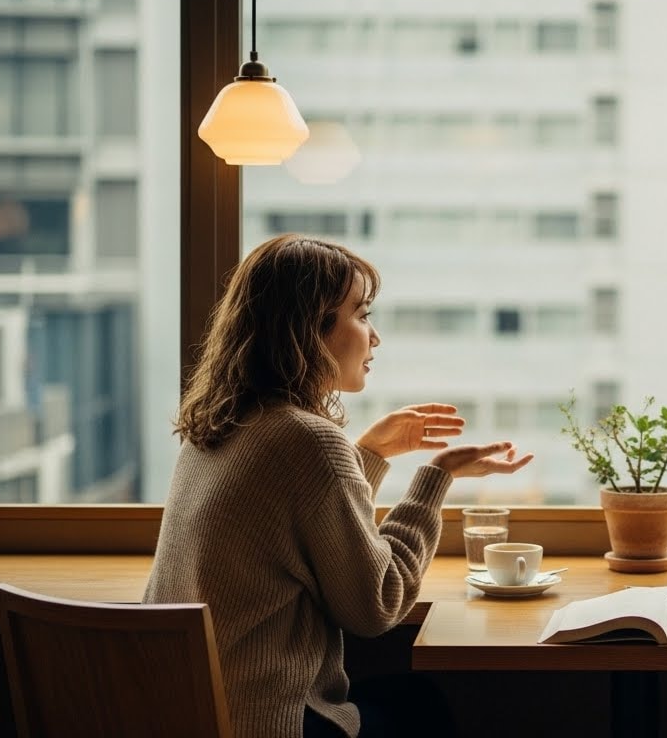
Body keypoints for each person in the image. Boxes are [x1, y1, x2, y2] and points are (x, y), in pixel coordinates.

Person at [145, 234, 533, 738]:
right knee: (424, 707)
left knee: (407, 700)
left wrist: (367, 456)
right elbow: (377, 603)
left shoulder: (218, 426)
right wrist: (433, 483)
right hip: (263, 722)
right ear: (308, 329)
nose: (375, 337)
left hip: (187, 714)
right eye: (362, 314)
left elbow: (307, 536)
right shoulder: (306, 439)